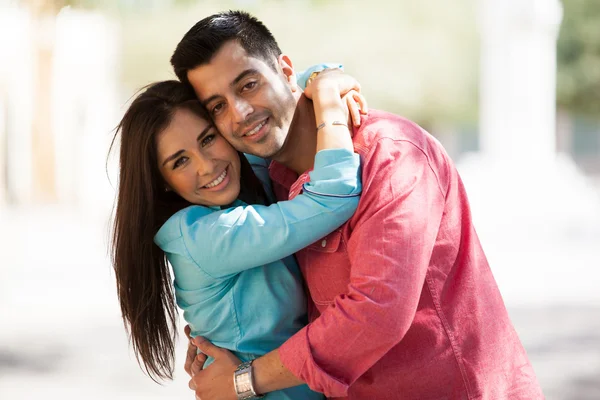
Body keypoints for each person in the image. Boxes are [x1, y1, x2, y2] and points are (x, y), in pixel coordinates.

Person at [170, 10, 545, 400]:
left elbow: (376, 312)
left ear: (284, 71)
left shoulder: (392, 156)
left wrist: (244, 380)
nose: (240, 113)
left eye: (248, 85)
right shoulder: (266, 176)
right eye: (217, 106)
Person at [110, 73, 367, 400]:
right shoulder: (208, 236)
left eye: (207, 139)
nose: (208, 166)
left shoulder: (234, 187)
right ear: (162, 182)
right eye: (181, 161)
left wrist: (319, 75)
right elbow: (334, 197)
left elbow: (278, 89)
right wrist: (329, 99)